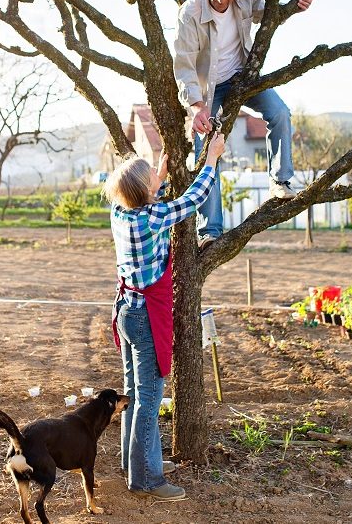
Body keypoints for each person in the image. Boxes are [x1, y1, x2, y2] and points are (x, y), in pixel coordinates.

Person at [103, 132, 226, 501]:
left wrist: (156, 173)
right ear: (145, 191)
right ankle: (146, 480)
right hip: (144, 316)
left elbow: (147, 195)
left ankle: (135, 463)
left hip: (125, 308)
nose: (157, 180)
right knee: (148, 398)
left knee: (133, 393)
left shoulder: (120, 212)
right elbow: (192, 200)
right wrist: (211, 160)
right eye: (151, 179)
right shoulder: (153, 217)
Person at [174, 0, 314, 248]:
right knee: (207, 152)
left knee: (279, 112)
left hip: (242, 78)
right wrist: (197, 106)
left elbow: (269, 13)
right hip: (206, 92)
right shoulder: (190, 13)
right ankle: (210, 229)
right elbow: (184, 64)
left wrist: (295, 6)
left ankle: (280, 181)